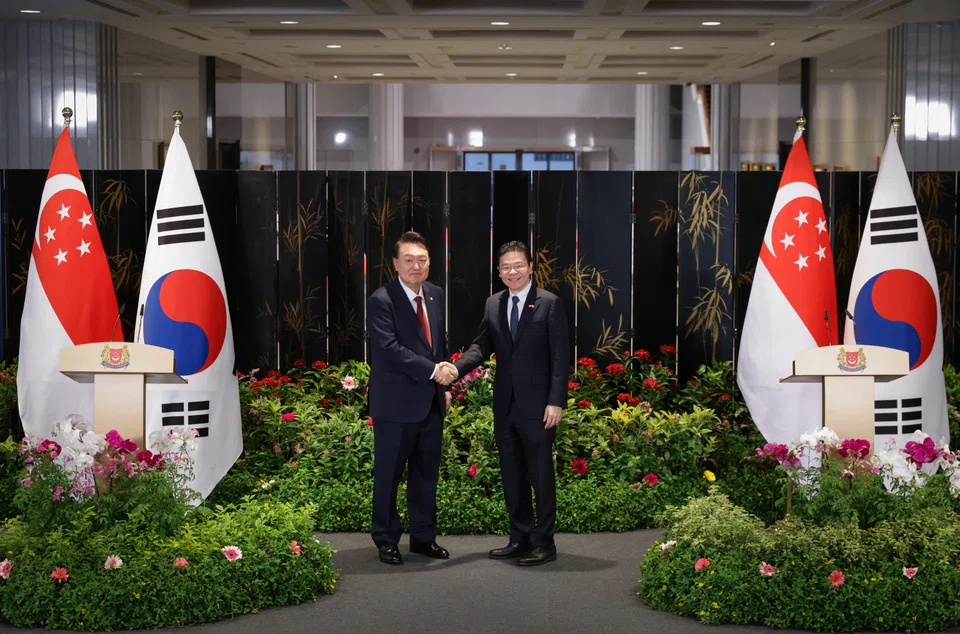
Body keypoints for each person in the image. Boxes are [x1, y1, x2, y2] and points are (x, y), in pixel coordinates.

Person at [451, 241, 569, 566]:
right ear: (499, 271)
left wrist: (556, 401)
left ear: (530, 267)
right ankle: (520, 538)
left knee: (541, 475)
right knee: (512, 475)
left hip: (539, 408)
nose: (512, 271)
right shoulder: (493, 305)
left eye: (518, 265)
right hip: (505, 406)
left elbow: (560, 358)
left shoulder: (549, 304)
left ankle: (545, 543)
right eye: (506, 266)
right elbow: (480, 347)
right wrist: (455, 369)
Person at [367, 231, 457, 565]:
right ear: (395, 263)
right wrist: (436, 373)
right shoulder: (382, 300)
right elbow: (389, 350)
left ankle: (423, 538)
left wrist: (444, 389)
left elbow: (439, 347)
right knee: (389, 476)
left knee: (425, 475)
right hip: (394, 406)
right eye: (408, 260)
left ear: (429, 262)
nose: (416, 266)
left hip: (430, 404)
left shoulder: (434, 294)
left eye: (422, 260)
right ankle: (386, 539)